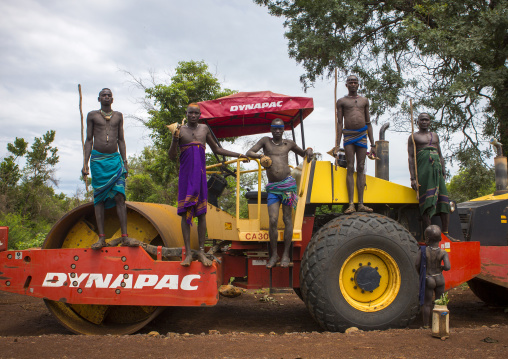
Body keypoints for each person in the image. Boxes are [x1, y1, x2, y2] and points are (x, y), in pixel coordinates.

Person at [169, 103, 247, 267]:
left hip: (200, 175)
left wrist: (239, 154)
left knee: (202, 214)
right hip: (186, 176)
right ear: (186, 113)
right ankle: (188, 254)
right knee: (185, 213)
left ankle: (202, 253)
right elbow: (172, 156)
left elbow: (218, 150)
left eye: (196, 113)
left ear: (200, 115)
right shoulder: (180, 130)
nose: (193, 116)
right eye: (190, 113)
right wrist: (174, 140)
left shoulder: (204, 129)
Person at [246, 118, 313, 268]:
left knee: (288, 219)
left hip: (288, 186)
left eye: (279, 129)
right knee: (273, 219)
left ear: (283, 130)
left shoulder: (289, 144)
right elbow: (249, 152)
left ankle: (286, 254)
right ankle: (274, 254)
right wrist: (261, 156)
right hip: (273, 188)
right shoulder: (265, 141)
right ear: (271, 129)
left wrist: (308, 150)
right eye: (274, 128)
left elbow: (304, 154)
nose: (277, 131)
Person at [82, 88, 132, 249]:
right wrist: (85, 163)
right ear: (99, 99)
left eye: (109, 95)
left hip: (115, 161)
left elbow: (121, 140)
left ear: (112, 99)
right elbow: (89, 140)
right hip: (98, 161)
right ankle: (101, 238)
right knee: (99, 199)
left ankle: (125, 237)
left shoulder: (118, 116)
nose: (106, 97)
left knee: (119, 196)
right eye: (103, 95)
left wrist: (125, 161)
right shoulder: (92, 115)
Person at [335, 75, 376, 214]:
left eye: (355, 82)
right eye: (350, 82)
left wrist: (373, 144)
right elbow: (339, 123)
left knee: (361, 167)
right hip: (348, 135)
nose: (353, 84)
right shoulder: (341, 101)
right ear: (346, 85)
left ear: (358, 84)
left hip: (362, 135)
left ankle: (361, 203)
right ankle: (351, 204)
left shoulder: (364, 100)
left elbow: (368, 122)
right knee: (350, 167)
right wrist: (336, 144)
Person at [407, 113, 451, 234]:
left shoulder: (435, 136)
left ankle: (446, 233)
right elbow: (411, 157)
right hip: (423, 171)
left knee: (443, 199)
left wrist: (443, 170)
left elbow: (440, 154)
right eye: (422, 120)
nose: (424, 122)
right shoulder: (413, 137)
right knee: (426, 201)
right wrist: (413, 178)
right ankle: (430, 234)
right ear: (418, 122)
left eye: (427, 120)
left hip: (437, 171)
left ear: (430, 122)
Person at [415, 225, 451, 328]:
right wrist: (442, 267)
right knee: (440, 303)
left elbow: (417, 264)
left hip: (428, 278)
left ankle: (426, 325)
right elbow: (448, 267)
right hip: (439, 278)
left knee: (427, 303)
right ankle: (439, 324)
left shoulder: (423, 251)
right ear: (440, 239)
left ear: (427, 239)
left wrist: (421, 274)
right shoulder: (443, 252)